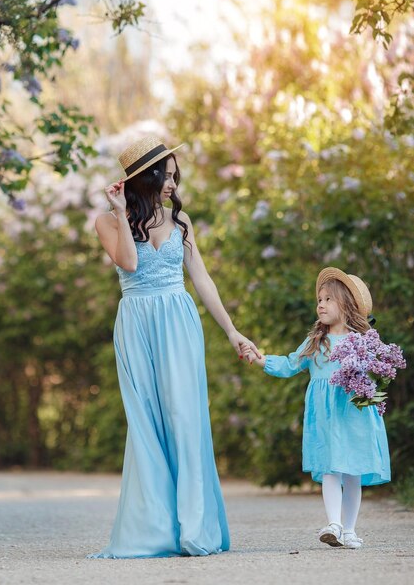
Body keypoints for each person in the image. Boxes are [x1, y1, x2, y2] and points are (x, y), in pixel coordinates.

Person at [91, 135, 261, 558]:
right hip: (136, 323)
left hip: (178, 322)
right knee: (146, 424)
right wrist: (119, 211)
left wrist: (232, 331)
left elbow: (201, 279)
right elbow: (128, 263)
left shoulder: (180, 222)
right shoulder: (107, 222)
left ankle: (194, 529)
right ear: (144, 179)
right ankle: (153, 532)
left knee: (185, 419)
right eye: (165, 176)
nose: (172, 184)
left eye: (173, 176)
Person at [247, 267, 390, 549]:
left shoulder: (360, 340)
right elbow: (290, 364)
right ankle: (334, 524)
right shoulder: (317, 342)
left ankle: (349, 530)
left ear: (347, 305)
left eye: (328, 299)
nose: (320, 304)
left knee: (353, 473)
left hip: (353, 412)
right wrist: (262, 360)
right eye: (320, 299)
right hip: (325, 416)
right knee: (329, 467)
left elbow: (378, 369)